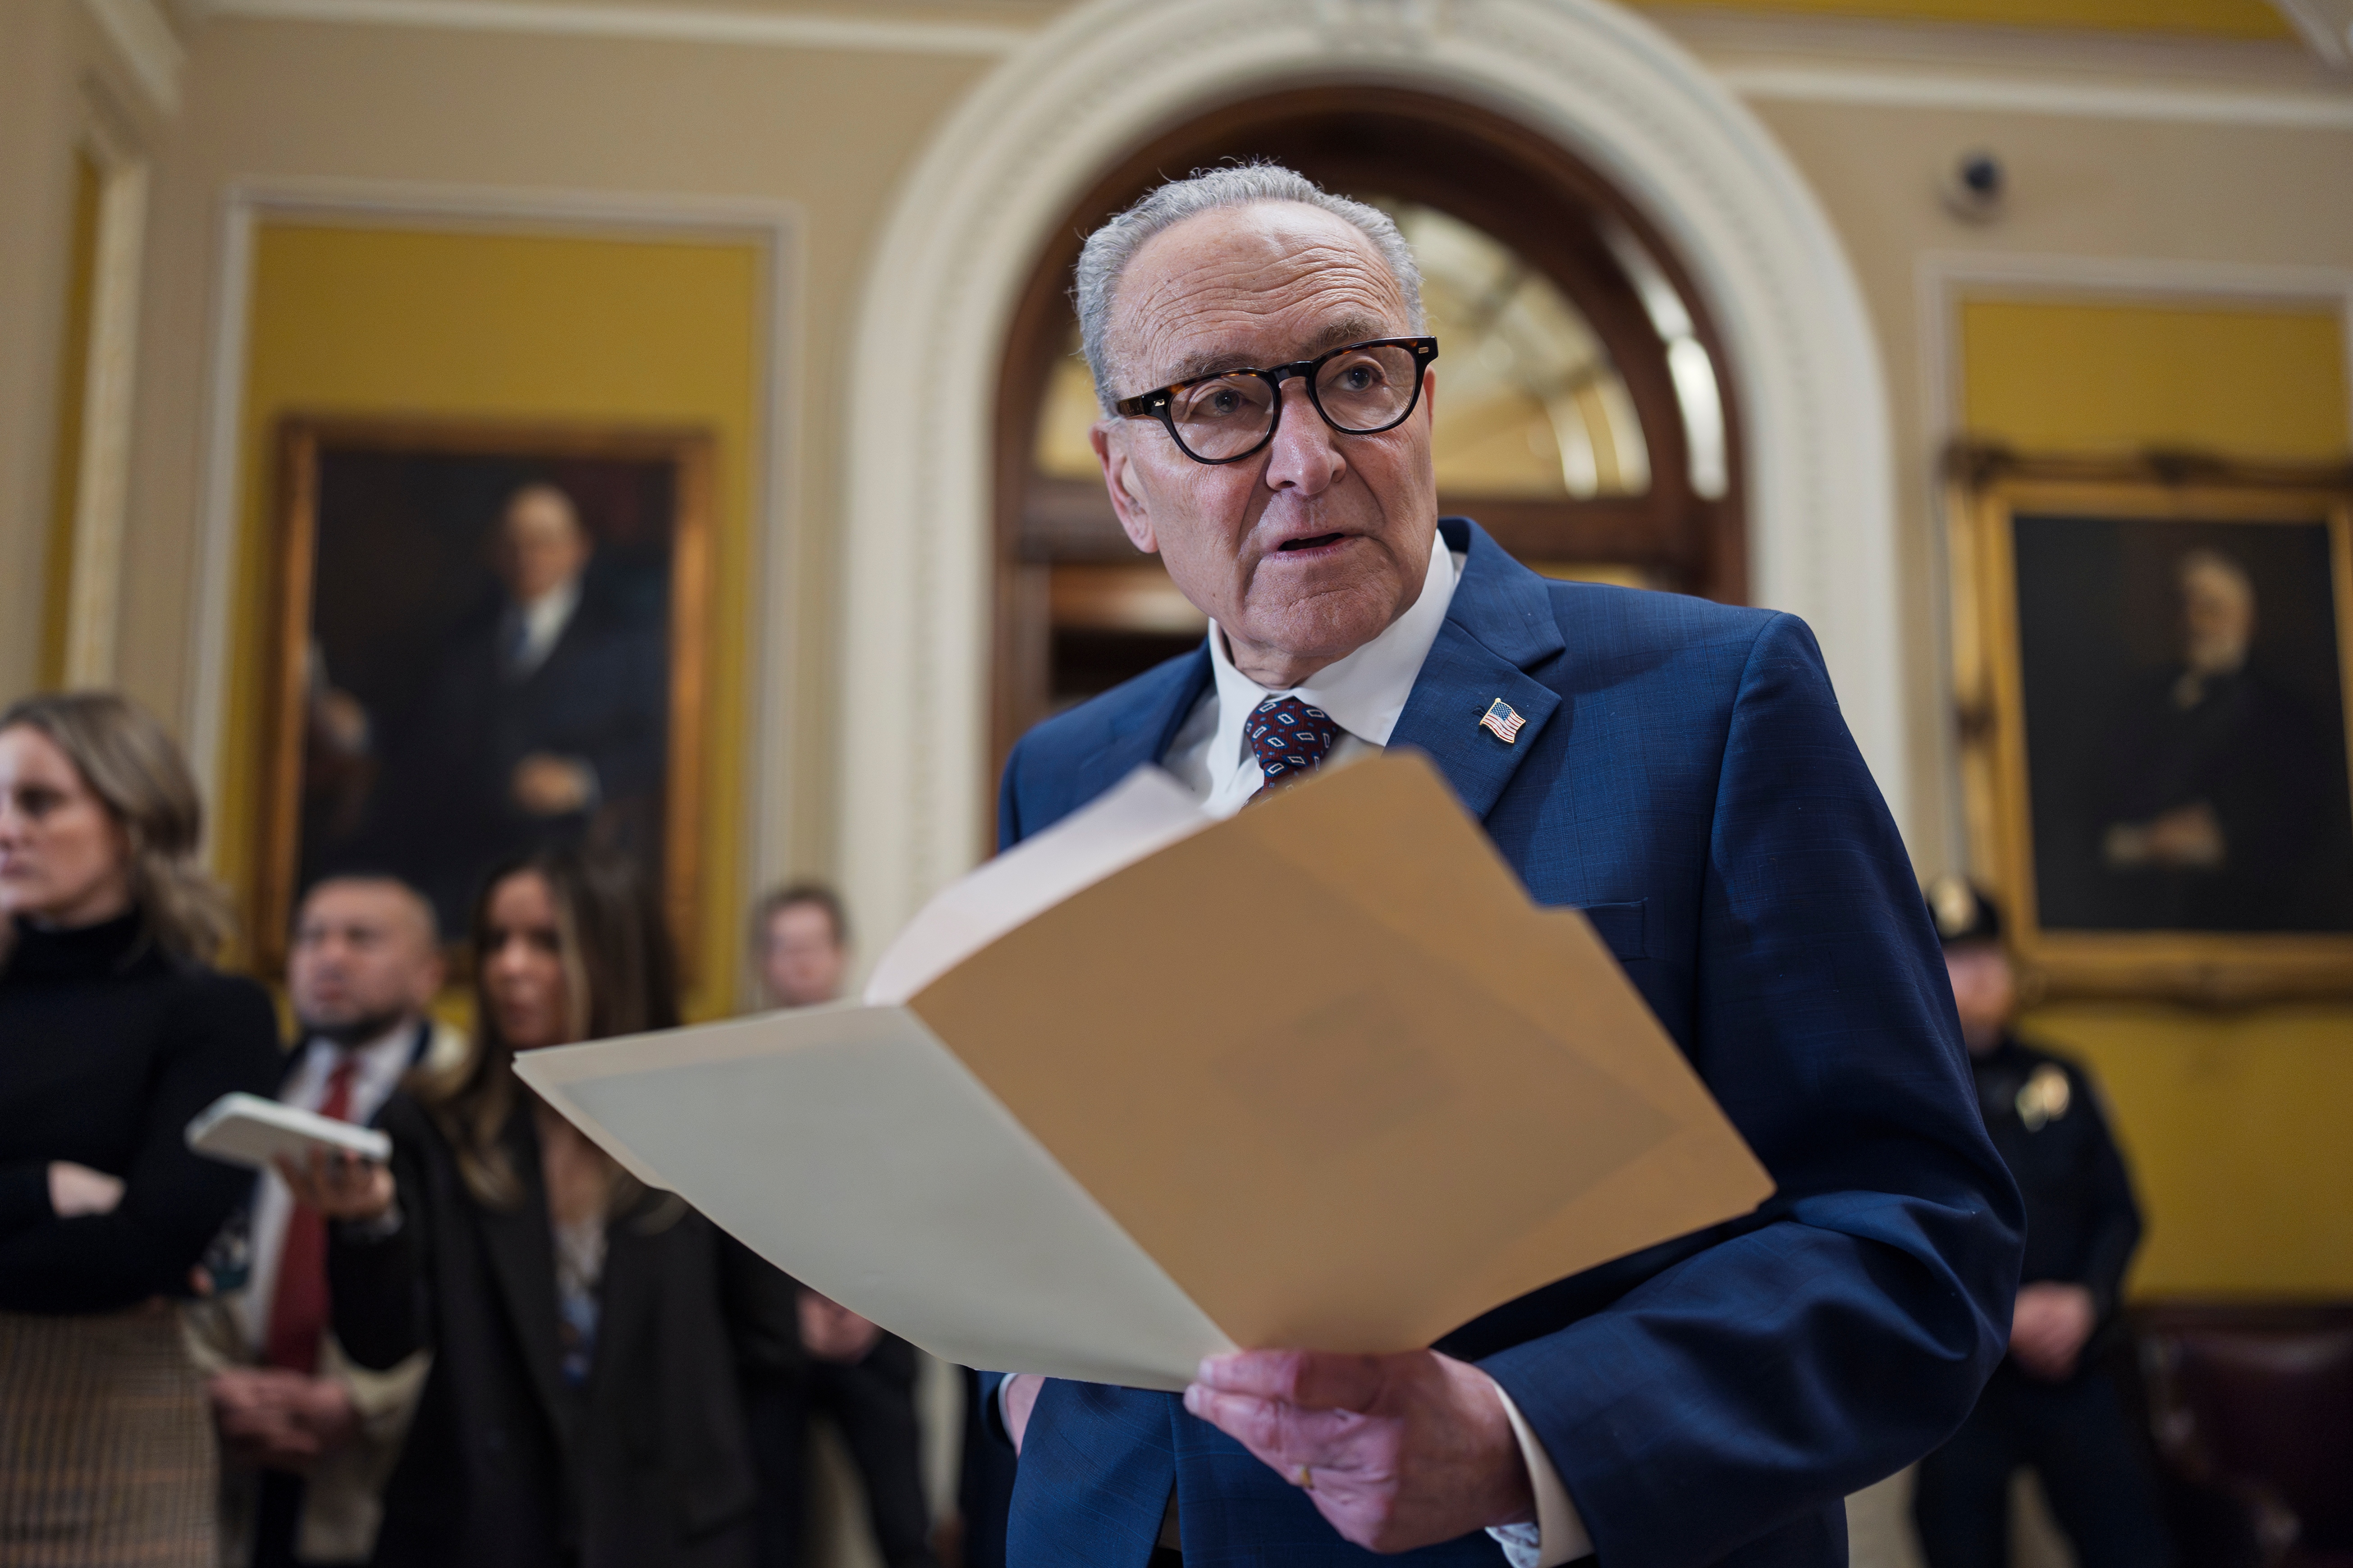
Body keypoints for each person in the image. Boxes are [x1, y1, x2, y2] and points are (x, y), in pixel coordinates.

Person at [984, 165, 2023, 1567]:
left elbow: (1914, 1240)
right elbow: (1042, 1184)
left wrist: (1526, 1436)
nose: (1308, 458)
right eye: (1222, 404)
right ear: (1124, 479)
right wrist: (1022, 1378)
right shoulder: (1070, 772)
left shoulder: (1713, 702)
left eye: (1355, 377)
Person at [284, 848, 798, 1568]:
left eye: (546, 943)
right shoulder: (432, 1125)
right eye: (496, 941)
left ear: (615, 957)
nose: (509, 968)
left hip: (670, 1530)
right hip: (476, 1530)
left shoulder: (711, 1130)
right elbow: (382, 1341)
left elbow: (770, 1351)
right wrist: (369, 1222)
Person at [0, 691, 281, 1565]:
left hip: (112, 1454)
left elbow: (151, 1248)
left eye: (38, 802)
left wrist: (110, 1237)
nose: (5, 829)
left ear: (132, 819)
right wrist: (44, 1188)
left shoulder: (215, 1013)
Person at [186, 875, 467, 1568]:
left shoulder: (467, 1100)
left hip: (394, 1471)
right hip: (237, 1458)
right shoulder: (247, 1083)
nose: (328, 957)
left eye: (361, 938)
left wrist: (366, 1403)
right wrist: (213, 1386)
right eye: (311, 936)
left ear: (431, 973)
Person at [1910, 878, 2174, 1568]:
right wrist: (1999, 1317)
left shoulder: (2062, 1077)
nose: (1974, 980)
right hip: (1965, 1377)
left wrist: (2086, 1301)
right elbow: (1908, 1232)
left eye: (1985, 960)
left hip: (2074, 1365)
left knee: (2130, 1545)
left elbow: (2119, 1212)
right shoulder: (1912, 1093)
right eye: (1954, 962)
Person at [361, 482, 669, 934]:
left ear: (578, 549)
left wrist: (583, 779)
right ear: (496, 551)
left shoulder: (625, 642)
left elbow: (657, 745)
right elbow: (418, 734)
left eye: (544, 542)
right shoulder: (460, 636)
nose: (528, 556)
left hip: (570, 856)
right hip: (461, 858)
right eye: (515, 543)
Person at [744, 884, 940, 1568]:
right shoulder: (730, 1077)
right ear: (762, 963)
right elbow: (727, 1212)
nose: (798, 963)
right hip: (771, 1342)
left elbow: (921, 1199)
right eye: (782, 948)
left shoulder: (898, 1064)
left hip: (876, 1333)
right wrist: (785, 1311)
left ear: (841, 955)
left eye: (811, 947)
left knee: (903, 1528)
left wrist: (875, 1302)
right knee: (769, 1533)